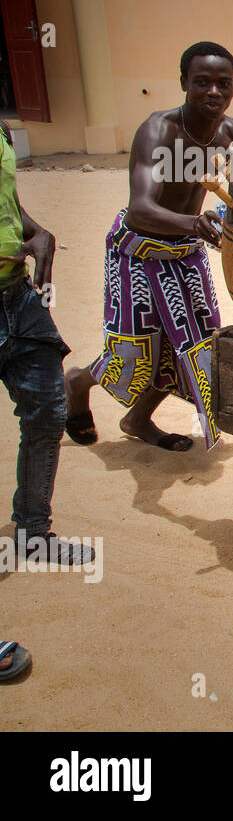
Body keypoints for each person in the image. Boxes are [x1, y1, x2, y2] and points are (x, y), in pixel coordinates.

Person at [64, 42, 233, 451]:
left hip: (185, 252)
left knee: (192, 346)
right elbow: (141, 209)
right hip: (137, 251)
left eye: (223, 84)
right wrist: (194, 223)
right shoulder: (159, 130)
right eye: (202, 82)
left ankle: (138, 419)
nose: (213, 92)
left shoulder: (232, 134)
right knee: (135, 351)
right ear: (184, 82)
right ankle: (77, 382)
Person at [0, 119, 95, 565]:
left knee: (47, 414)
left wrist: (35, 232)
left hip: (18, 297)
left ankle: (33, 532)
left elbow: (8, 204)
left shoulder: (1, 131)